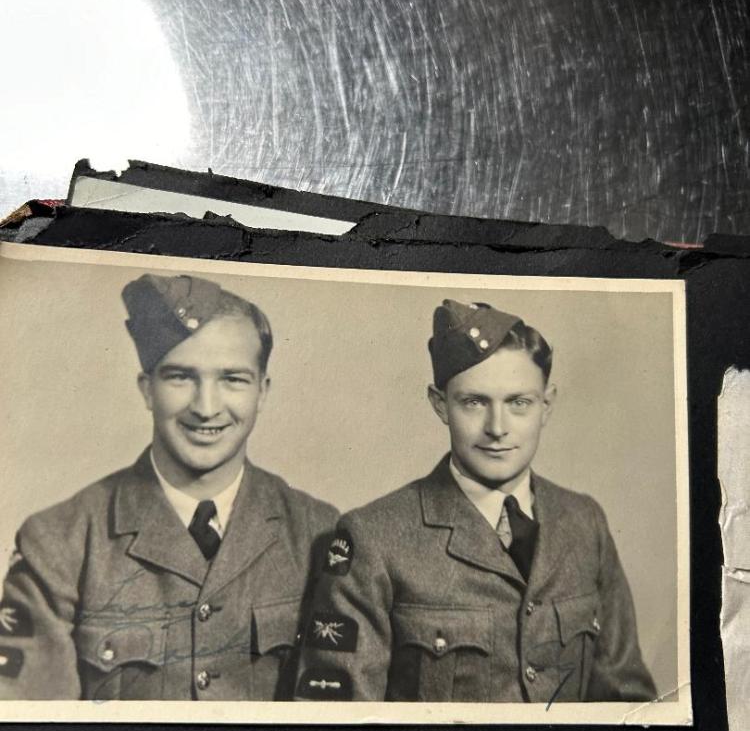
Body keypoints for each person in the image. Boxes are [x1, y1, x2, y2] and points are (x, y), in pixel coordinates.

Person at [296, 299, 656, 703]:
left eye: (518, 403)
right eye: (474, 402)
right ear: (440, 405)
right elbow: (340, 722)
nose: (497, 428)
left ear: (546, 405)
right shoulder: (373, 538)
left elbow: (628, 703)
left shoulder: (584, 522)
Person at [0, 273, 337, 700]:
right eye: (180, 377)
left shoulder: (317, 533)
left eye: (233, 379)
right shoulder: (59, 542)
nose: (206, 407)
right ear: (147, 390)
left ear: (262, 392)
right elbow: (33, 724)